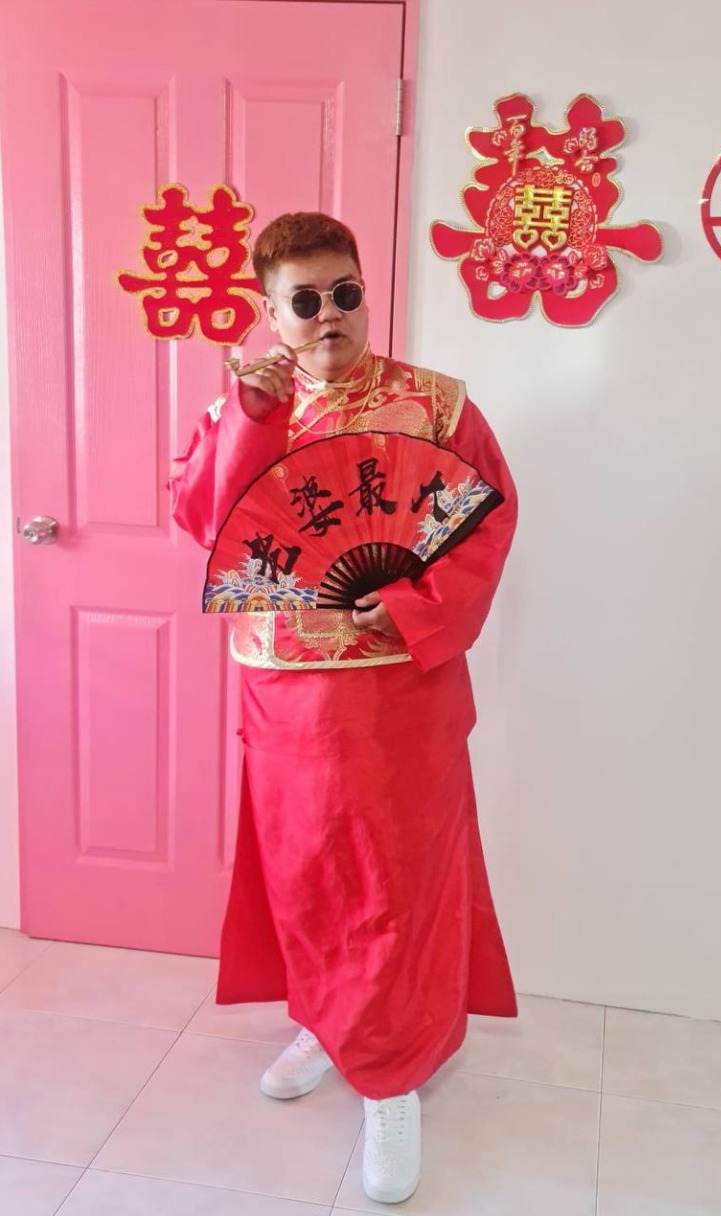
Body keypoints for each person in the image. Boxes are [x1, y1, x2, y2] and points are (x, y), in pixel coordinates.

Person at [169, 212, 518, 1204]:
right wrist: (249, 419)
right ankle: (329, 1022)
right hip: (284, 685)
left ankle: (392, 1077)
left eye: (346, 293)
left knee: (393, 883)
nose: (330, 315)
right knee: (308, 872)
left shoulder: (434, 406)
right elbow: (203, 520)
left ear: (368, 293)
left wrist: (409, 599)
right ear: (270, 312)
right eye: (306, 300)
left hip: (399, 691)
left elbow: (485, 522)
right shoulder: (245, 406)